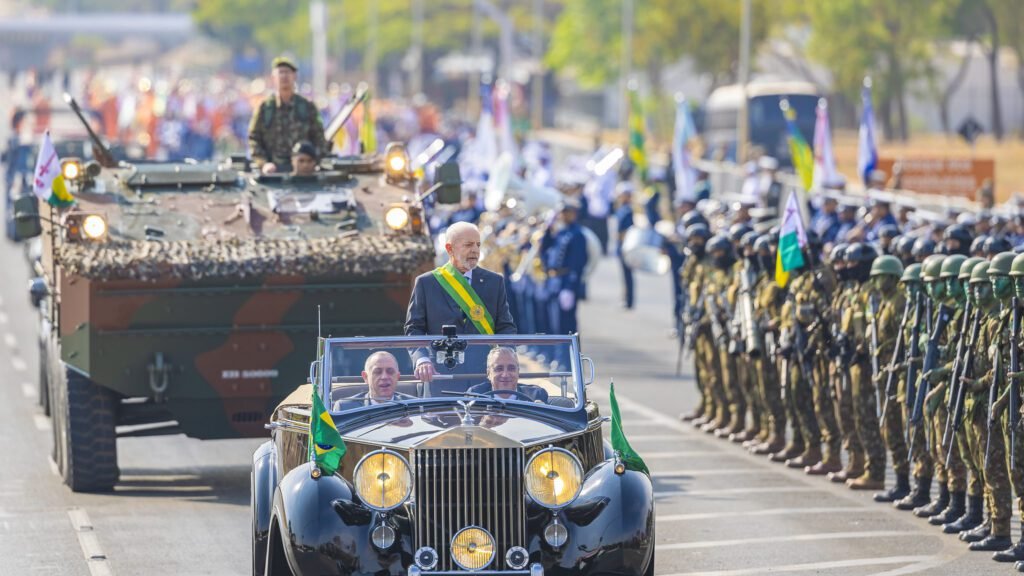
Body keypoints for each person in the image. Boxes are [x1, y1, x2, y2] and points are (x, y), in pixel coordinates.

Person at [406, 221, 517, 382]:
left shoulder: (494, 281)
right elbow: (414, 328)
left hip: (484, 375)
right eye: (468, 245)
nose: (475, 250)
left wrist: (506, 356)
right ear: (449, 249)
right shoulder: (426, 283)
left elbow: (505, 327)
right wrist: (422, 360)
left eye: (478, 245)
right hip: (440, 374)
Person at [248, 56, 328, 174]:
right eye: (280, 72)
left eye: (288, 72)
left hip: (303, 173)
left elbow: (319, 138)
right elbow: (254, 138)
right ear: (273, 77)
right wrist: (263, 163)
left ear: (294, 76)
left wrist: (311, 161)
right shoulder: (265, 108)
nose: (284, 76)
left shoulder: (307, 107)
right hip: (272, 172)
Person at [467, 347, 549, 403]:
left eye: (511, 368)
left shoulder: (536, 395)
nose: (505, 375)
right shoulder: (476, 395)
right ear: (488, 373)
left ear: (518, 372)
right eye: (499, 369)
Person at [332, 351, 401, 410]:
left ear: (397, 377)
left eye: (390, 371)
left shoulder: (407, 404)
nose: (384, 377)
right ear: (365, 377)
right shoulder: (345, 408)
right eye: (377, 372)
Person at [614, 183, 635, 309]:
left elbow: (626, 231)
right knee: (624, 275)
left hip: (624, 245)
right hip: (620, 245)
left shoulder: (627, 211)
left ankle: (629, 299)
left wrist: (624, 246)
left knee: (627, 275)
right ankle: (626, 298)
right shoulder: (621, 209)